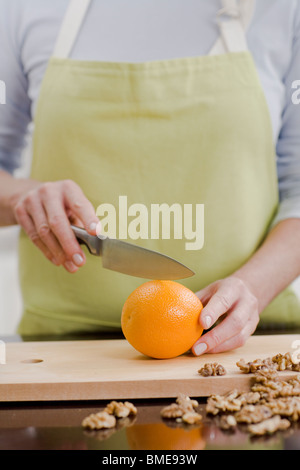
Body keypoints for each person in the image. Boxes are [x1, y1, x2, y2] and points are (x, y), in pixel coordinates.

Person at [0, 0, 300, 355]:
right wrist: (20, 197)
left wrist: (252, 287)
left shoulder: (283, 8)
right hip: (59, 349)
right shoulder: (22, 7)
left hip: (245, 345)